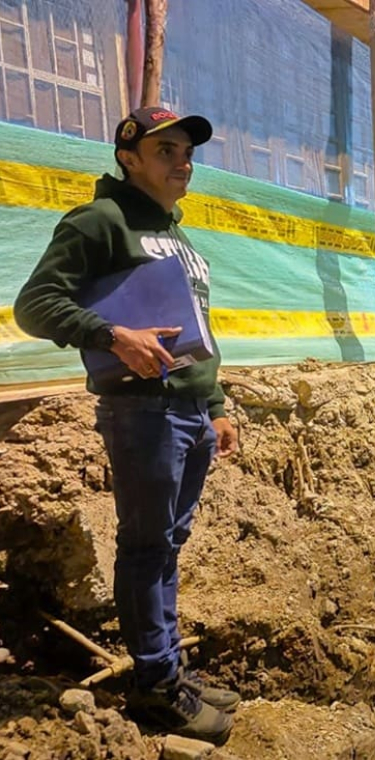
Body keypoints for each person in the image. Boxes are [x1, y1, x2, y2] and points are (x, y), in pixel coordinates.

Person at [14, 107, 240, 745]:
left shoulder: (178, 234)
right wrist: (113, 334)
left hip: (190, 410)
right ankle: (155, 686)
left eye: (187, 151)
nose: (182, 161)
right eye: (166, 150)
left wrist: (216, 405)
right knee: (145, 547)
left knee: (169, 542)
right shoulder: (101, 221)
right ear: (129, 157)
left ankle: (173, 669)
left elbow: (197, 327)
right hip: (143, 411)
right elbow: (35, 305)